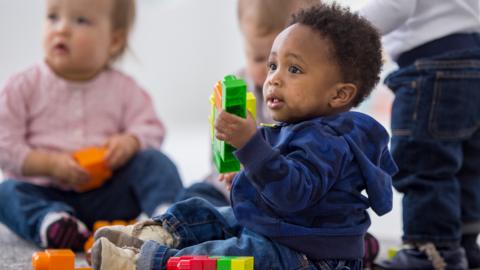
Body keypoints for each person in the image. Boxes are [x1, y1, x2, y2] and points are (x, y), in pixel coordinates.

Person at [90, 4, 397, 270]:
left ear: (339, 94)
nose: (273, 78)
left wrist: (251, 146)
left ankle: (149, 261)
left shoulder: (331, 141)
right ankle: (161, 234)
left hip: (312, 256)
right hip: (282, 230)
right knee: (214, 212)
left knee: (240, 256)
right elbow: (278, 176)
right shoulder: (299, 128)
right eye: (273, 64)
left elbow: (293, 193)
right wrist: (245, 171)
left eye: (294, 69)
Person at [0, 0, 183, 251]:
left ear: (114, 41)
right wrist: (50, 165)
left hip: (108, 195)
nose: (61, 29)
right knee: (6, 193)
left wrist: (130, 142)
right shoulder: (23, 86)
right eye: (53, 17)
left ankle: (168, 220)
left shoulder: (123, 88)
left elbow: (152, 127)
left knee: (155, 161)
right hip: (44, 192)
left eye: (80, 20)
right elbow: (5, 145)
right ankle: (53, 224)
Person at [358, 1, 480, 269]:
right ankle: (463, 246)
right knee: (465, 164)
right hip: (473, 61)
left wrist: (335, 29)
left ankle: (431, 253)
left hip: (432, 67)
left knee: (425, 161)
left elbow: (394, 6)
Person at [176, 0, 319, 206]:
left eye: (290, 66)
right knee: (192, 198)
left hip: (274, 197)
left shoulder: (310, 102)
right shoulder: (238, 87)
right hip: (227, 190)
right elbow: (218, 150)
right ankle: (167, 224)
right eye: (260, 59)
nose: (272, 75)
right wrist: (229, 170)